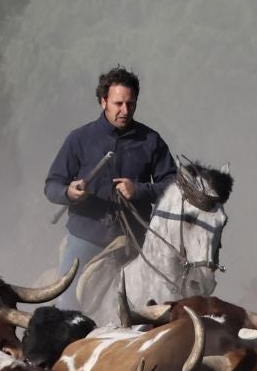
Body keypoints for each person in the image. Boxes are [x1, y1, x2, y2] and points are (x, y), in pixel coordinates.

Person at [43, 65, 177, 307]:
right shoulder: (79, 139)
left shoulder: (151, 140)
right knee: (66, 302)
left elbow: (174, 187)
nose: (125, 110)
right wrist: (69, 193)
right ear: (103, 101)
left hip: (137, 242)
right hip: (86, 238)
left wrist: (140, 190)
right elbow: (52, 185)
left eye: (131, 104)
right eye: (118, 104)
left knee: (171, 298)